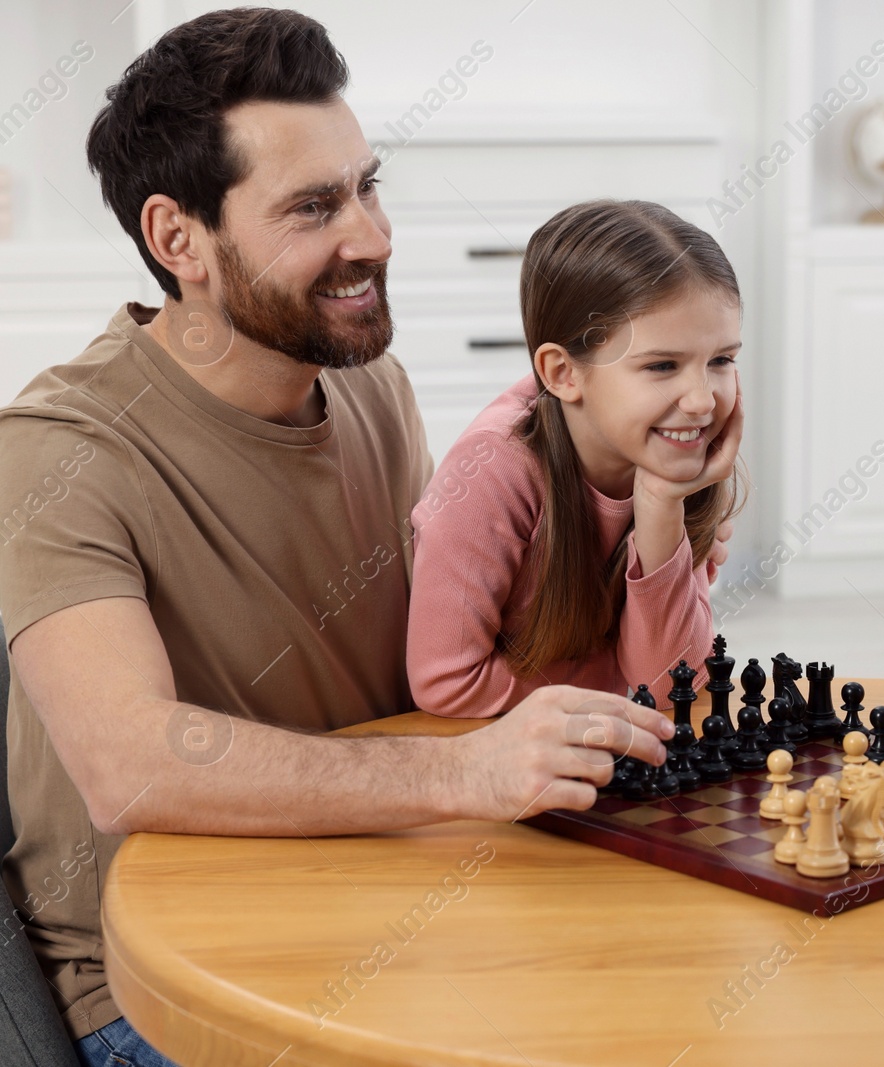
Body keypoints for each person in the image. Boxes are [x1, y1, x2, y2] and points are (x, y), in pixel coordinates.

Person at [0, 12, 675, 1066]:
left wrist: (632, 494)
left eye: (368, 186)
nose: (371, 235)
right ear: (179, 240)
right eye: (314, 206)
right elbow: (126, 764)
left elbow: (445, 655)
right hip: (161, 987)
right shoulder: (57, 450)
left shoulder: (370, 384)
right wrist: (461, 777)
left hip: (371, 899)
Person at [407, 200, 743, 715]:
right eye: (662, 366)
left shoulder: (666, 457)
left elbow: (670, 683)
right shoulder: (491, 475)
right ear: (563, 373)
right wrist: (614, 682)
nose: (702, 400)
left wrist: (660, 505)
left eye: (721, 360)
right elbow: (446, 683)